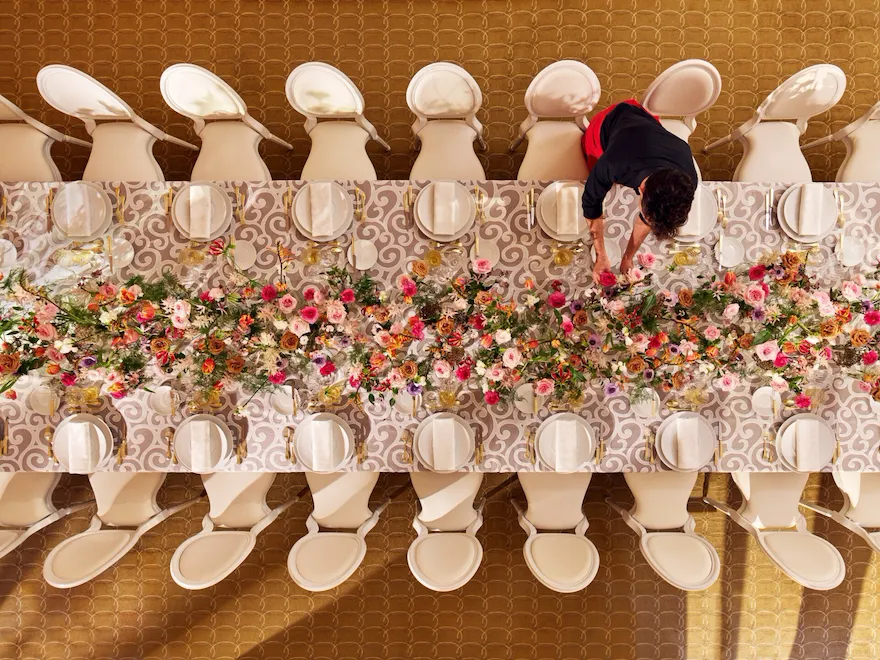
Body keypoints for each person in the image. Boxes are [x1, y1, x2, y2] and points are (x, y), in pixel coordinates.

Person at [581, 99, 698, 283]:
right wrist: (601, 254)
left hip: (650, 127)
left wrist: (628, 257)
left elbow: (649, 217)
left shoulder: (686, 182)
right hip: (612, 122)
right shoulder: (614, 163)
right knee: (592, 166)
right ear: (641, 189)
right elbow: (591, 206)